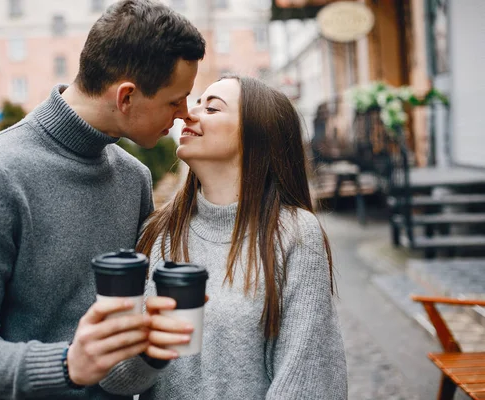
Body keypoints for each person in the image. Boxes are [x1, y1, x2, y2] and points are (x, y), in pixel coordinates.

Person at [0, 1, 205, 399]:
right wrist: (67, 365)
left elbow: (130, 340)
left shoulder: (134, 178)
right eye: (174, 100)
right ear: (126, 97)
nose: (185, 113)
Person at [99, 76, 348, 399]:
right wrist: (150, 350)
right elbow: (113, 378)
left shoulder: (294, 234)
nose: (188, 114)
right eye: (197, 102)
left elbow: (309, 381)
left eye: (212, 108)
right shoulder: (158, 232)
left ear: (256, 136)